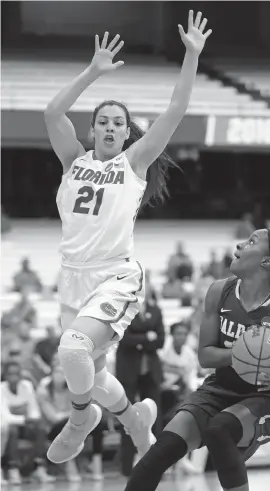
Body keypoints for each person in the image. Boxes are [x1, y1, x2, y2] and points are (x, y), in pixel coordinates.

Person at [44, 10, 211, 465]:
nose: (112, 128)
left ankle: (81, 421)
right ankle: (134, 419)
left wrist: (191, 56)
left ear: (126, 131)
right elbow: (52, 112)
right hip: (71, 277)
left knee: (73, 350)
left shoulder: (133, 164)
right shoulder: (71, 160)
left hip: (115, 275)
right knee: (91, 372)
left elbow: (175, 110)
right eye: (104, 121)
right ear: (94, 128)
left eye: (119, 122)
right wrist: (92, 73)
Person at [117, 229, 270, 491]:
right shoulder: (219, 291)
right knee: (161, 451)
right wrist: (245, 351)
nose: (239, 245)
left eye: (251, 242)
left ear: (267, 262)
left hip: (268, 396)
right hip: (220, 387)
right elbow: (206, 356)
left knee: (219, 429)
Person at [115, 288, 165, 476]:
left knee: (155, 416)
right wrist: (146, 337)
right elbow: (125, 338)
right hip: (129, 371)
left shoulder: (157, 310)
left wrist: (140, 340)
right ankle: (126, 466)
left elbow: (160, 340)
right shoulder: (123, 309)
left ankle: (157, 463)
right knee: (127, 416)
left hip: (150, 371)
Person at [1, 361, 54, 484]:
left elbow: (34, 409)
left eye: (16, 373)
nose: (13, 376)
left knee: (40, 428)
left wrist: (31, 419)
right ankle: (13, 469)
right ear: (5, 376)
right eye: (10, 374)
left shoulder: (27, 386)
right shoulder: (1, 389)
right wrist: (24, 419)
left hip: (26, 424)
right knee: (12, 430)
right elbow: (5, 416)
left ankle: (39, 467)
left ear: (21, 375)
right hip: (10, 427)